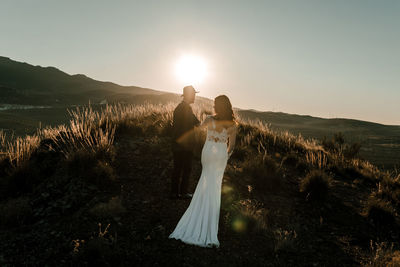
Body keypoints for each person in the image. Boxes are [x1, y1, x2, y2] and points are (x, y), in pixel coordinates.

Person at [169, 95, 237, 248]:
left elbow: (198, 129)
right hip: (220, 155)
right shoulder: (232, 125)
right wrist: (224, 156)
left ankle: (200, 207)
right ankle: (210, 215)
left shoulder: (208, 119)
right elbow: (231, 147)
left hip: (207, 153)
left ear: (217, 106)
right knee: (215, 184)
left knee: (205, 179)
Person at [170, 85, 200, 200]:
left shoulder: (180, 107)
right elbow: (196, 122)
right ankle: (182, 193)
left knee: (177, 169)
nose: (194, 97)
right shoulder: (186, 108)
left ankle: (174, 193)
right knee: (186, 169)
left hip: (177, 144)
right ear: (189, 95)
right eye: (194, 95)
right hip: (185, 146)